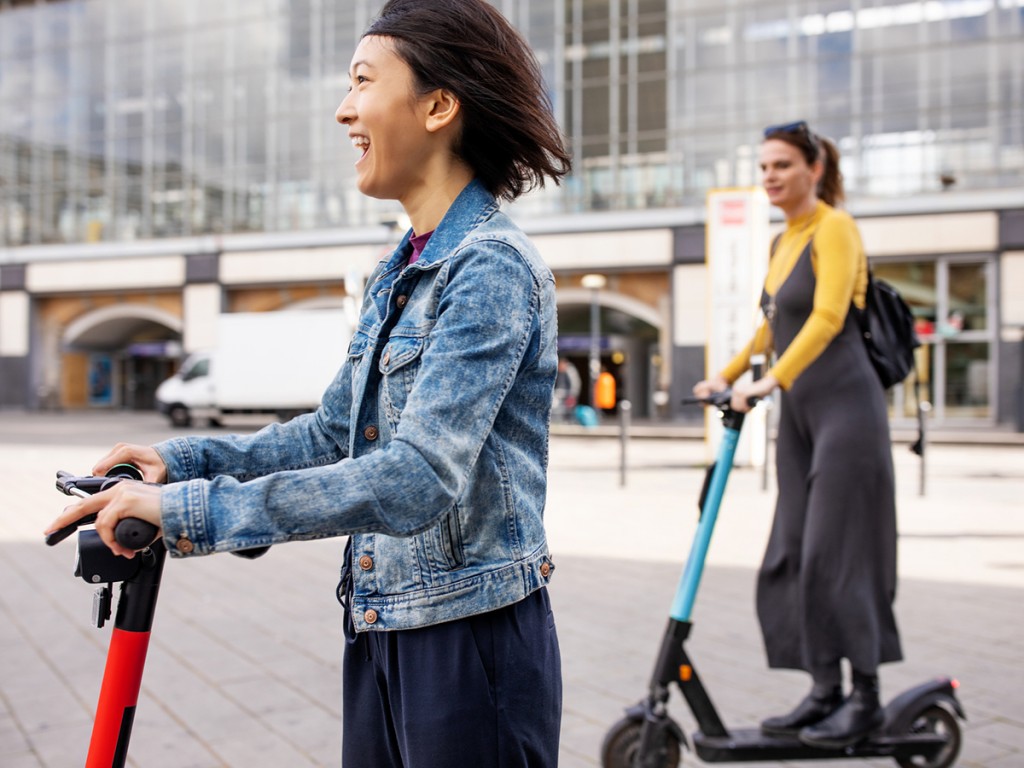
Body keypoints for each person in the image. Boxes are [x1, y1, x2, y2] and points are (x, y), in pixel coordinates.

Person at [46, 1, 572, 764]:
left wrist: (188, 512)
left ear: (437, 106)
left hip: (469, 642)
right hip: (384, 623)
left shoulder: (490, 266)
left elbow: (419, 477)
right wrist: (183, 464)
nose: (343, 109)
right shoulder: (403, 269)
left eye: (363, 81)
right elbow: (331, 434)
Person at [693, 120, 901, 749]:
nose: (770, 177)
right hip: (802, 418)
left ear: (814, 168)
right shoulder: (784, 240)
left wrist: (768, 383)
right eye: (763, 167)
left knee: (841, 553)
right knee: (792, 552)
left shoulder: (835, 227)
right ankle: (822, 690)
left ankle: (864, 696)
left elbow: (831, 315)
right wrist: (725, 375)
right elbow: (772, 325)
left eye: (782, 164)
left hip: (848, 411)